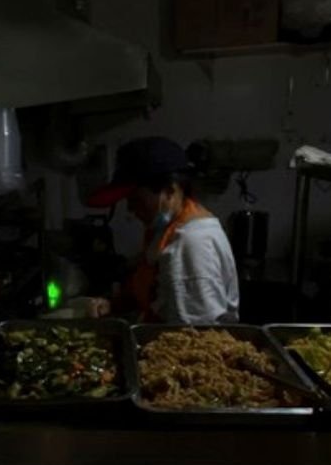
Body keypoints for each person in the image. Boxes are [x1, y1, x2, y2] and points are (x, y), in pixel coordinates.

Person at [87, 136, 239, 324]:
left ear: (169, 190)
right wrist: (115, 304)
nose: (130, 209)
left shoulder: (191, 244)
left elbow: (196, 339)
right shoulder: (168, 228)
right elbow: (156, 289)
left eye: (136, 199)